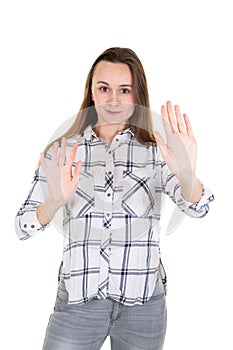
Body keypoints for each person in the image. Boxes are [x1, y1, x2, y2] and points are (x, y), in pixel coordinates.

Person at [15, 47, 214, 350]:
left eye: (125, 90)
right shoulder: (63, 150)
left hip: (143, 306)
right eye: (104, 88)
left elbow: (198, 207)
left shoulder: (157, 151)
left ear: (137, 96)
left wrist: (187, 174)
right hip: (78, 304)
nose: (113, 100)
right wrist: (53, 203)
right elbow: (22, 226)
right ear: (91, 92)